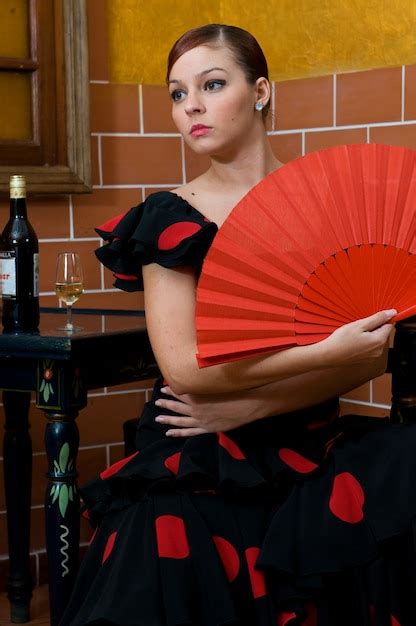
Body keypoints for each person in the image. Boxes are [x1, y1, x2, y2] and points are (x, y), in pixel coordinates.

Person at [60, 24, 416, 626]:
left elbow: (371, 355)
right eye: (177, 94)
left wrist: (252, 407)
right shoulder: (168, 217)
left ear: (260, 92)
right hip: (199, 443)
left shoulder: (328, 203)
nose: (191, 106)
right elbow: (187, 370)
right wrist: (327, 352)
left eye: (212, 84)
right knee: (173, 542)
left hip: (309, 436)